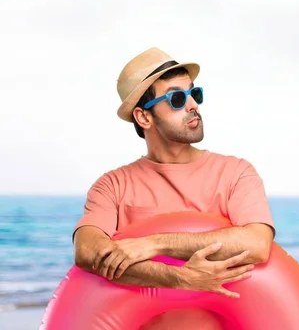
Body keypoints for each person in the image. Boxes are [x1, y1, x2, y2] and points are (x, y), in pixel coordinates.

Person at [72, 47, 276, 328]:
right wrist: (181, 278)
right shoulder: (113, 185)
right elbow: (88, 252)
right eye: (177, 98)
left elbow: (256, 244)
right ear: (144, 118)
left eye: (195, 93)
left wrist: (153, 243)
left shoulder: (236, 172)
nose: (193, 104)